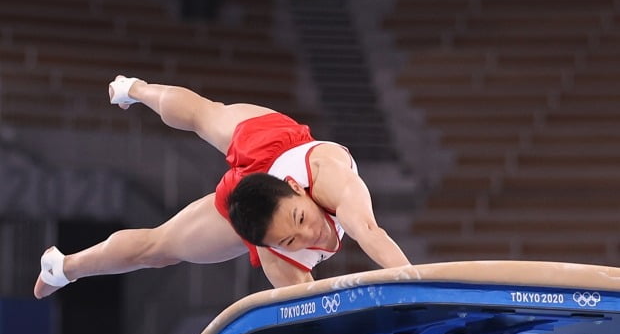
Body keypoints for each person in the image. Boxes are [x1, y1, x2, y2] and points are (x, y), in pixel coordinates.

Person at [34, 75, 411, 299]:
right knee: (158, 247)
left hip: (274, 143)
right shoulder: (277, 257)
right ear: (264, 247)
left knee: (205, 113)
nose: (308, 231)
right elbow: (309, 311)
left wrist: (419, 287)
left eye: (299, 217)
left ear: (297, 188)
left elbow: (371, 234)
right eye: (291, 240)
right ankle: (64, 268)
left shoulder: (332, 178)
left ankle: (136, 90)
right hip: (256, 205)